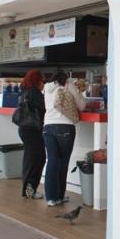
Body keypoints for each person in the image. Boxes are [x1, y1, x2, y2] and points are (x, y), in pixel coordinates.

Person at [42, 71, 85, 206]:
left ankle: (51, 198)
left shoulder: (46, 88)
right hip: (65, 127)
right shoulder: (69, 86)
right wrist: (80, 93)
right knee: (63, 162)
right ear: (66, 78)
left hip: (48, 127)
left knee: (52, 161)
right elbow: (82, 107)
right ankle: (59, 196)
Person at [17, 69, 46, 199]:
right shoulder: (35, 93)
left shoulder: (24, 92)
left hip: (24, 129)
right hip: (33, 130)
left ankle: (27, 190)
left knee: (30, 159)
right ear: (37, 80)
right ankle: (30, 190)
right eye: (42, 80)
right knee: (37, 159)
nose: (43, 83)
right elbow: (43, 110)